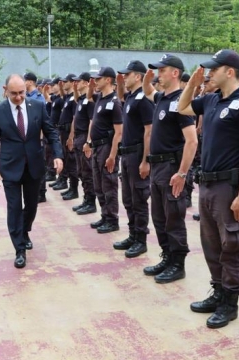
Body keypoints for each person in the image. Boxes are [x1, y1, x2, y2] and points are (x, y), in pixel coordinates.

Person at [178, 50, 239, 329]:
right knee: (211, 243)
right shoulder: (212, 99)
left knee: (231, 245)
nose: (209, 72)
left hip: (229, 186)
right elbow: (182, 108)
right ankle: (217, 291)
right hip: (208, 183)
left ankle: (230, 302)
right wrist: (193, 83)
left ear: (230, 72)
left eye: (214, 69)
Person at [0, 74, 63, 269]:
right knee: (13, 207)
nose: (19, 97)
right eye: (14, 94)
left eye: (21, 92)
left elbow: (51, 131)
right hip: (9, 167)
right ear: (5, 90)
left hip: (34, 165)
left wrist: (58, 154)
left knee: (31, 205)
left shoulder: (37, 106)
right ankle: (19, 249)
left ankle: (25, 230)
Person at [141, 54, 198, 284]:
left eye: (162, 70)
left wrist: (182, 173)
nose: (158, 74)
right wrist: (147, 78)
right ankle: (167, 256)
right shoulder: (162, 98)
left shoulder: (180, 102)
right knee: (159, 216)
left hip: (171, 166)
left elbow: (192, 141)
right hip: (157, 166)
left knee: (174, 217)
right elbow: (147, 91)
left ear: (175, 73)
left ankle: (178, 264)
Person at [113, 60, 155, 257]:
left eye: (127, 75)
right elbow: (120, 94)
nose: (124, 78)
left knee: (139, 199)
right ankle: (132, 234)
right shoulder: (131, 97)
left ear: (138, 76)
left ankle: (141, 239)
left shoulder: (144, 99)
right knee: (128, 198)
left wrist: (146, 160)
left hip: (138, 154)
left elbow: (149, 131)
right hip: (127, 154)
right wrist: (120, 83)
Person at [85, 67, 123, 234]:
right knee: (98, 184)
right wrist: (92, 86)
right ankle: (104, 215)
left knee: (109, 183)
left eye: (99, 79)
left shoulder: (114, 102)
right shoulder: (100, 97)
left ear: (108, 80)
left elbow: (119, 132)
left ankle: (112, 219)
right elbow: (87, 96)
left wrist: (113, 155)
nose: (96, 81)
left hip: (107, 147)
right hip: (97, 147)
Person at [69, 72, 97, 215]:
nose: (76, 83)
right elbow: (75, 98)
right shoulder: (81, 99)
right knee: (81, 171)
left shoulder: (90, 101)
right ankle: (86, 199)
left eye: (79, 81)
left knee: (87, 172)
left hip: (85, 137)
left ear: (86, 83)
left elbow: (92, 121)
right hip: (79, 137)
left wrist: (89, 141)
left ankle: (91, 202)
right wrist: (74, 89)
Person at [58, 73, 79, 201]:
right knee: (66, 159)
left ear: (71, 83)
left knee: (72, 162)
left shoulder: (74, 99)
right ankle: (70, 187)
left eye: (66, 81)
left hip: (69, 133)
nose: (63, 83)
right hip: (63, 132)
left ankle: (74, 189)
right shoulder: (68, 98)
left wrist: (71, 136)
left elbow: (74, 118)